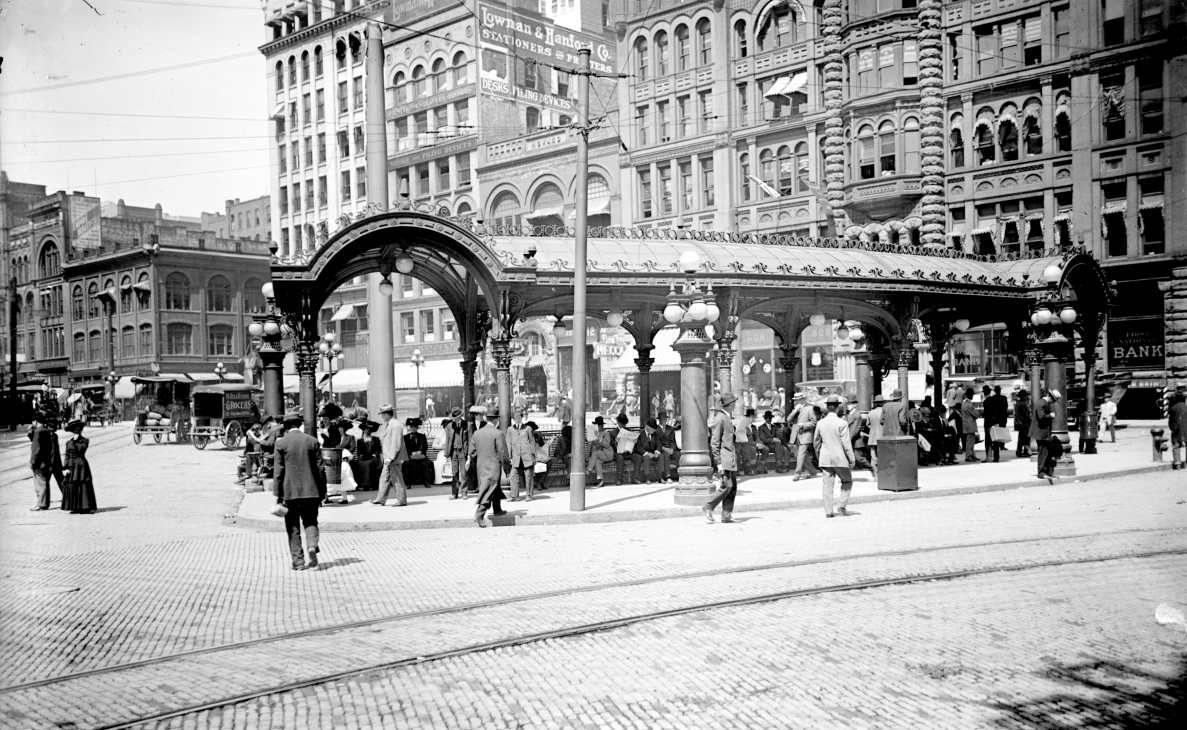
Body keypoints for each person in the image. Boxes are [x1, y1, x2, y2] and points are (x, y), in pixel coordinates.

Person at [273, 410, 328, 570]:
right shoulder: (312, 441)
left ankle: (298, 562)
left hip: (289, 492)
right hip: (311, 491)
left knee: (293, 526)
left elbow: (278, 472)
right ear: (300, 424)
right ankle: (312, 546)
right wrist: (322, 492)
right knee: (310, 521)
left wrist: (277, 494)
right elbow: (320, 470)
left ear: (286, 427)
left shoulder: (281, 443)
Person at [815, 394, 856, 518]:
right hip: (840, 458)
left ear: (828, 407)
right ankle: (842, 505)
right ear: (838, 408)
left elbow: (816, 443)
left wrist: (819, 456)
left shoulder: (820, 423)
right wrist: (851, 459)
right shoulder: (842, 423)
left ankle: (828, 511)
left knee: (827, 486)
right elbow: (846, 443)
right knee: (847, 481)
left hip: (825, 458)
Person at [704, 392, 739, 524]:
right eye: (734, 402)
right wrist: (718, 463)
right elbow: (714, 442)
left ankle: (727, 515)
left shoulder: (727, 417)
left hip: (731, 458)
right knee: (727, 485)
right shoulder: (720, 418)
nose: (735, 404)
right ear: (729, 405)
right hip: (725, 459)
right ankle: (709, 506)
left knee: (732, 486)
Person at [470, 406, 508, 527]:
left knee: (493, 488)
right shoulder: (498, 433)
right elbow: (503, 453)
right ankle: (479, 514)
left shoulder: (477, 433)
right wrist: (507, 468)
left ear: (486, 419)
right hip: (493, 467)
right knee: (489, 489)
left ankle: (497, 510)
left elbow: (471, 451)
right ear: (496, 420)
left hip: (481, 466)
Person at [371, 404, 409, 506]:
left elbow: (395, 443)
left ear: (387, 414)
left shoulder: (395, 425)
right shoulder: (391, 424)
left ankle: (402, 500)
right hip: (389, 458)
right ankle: (381, 498)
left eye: (382, 414)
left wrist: (391, 457)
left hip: (393, 458)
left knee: (396, 478)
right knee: (384, 477)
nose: (381, 417)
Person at [60, 419, 98, 514]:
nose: (76, 432)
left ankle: (85, 507)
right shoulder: (68, 442)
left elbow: (81, 451)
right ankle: (75, 507)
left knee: (82, 484)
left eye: (78, 431)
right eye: (75, 431)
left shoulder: (84, 441)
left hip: (81, 466)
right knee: (72, 485)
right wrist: (65, 468)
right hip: (71, 466)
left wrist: (77, 441)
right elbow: (67, 456)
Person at [506, 406, 537, 501]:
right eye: (515, 418)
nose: (517, 420)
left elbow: (532, 443)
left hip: (527, 456)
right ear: (513, 419)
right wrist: (509, 457)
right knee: (513, 475)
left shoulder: (528, 429)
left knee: (528, 476)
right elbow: (508, 444)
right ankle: (515, 496)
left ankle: (529, 495)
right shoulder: (510, 430)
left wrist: (533, 456)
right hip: (516, 457)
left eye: (519, 418)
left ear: (521, 418)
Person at [1032, 388, 1061, 482]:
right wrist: (1051, 415)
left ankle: (1047, 472)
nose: (1053, 402)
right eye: (1053, 400)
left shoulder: (1044, 403)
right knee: (1043, 453)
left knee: (1047, 453)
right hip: (1041, 433)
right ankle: (1041, 472)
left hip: (1043, 433)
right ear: (1050, 396)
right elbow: (1041, 417)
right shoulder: (1042, 403)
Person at [28, 412, 55, 511]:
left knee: (40, 484)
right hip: (46, 461)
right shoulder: (45, 430)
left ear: (35, 421)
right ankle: (45, 503)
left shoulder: (38, 431)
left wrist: (32, 462)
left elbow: (36, 448)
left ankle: (40, 504)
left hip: (39, 462)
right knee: (45, 482)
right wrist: (31, 433)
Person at [442, 407, 470, 499]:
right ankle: (454, 493)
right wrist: (446, 454)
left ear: (460, 416)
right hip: (453, 452)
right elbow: (448, 440)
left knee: (464, 473)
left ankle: (464, 493)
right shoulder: (450, 426)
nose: (455, 419)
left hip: (463, 451)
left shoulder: (467, 425)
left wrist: (469, 454)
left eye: (456, 417)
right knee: (454, 473)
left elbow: (470, 440)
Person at [632, 418, 666, 483]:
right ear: (647, 427)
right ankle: (647, 478)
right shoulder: (640, 434)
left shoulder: (655, 434)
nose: (654, 430)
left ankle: (660, 478)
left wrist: (657, 451)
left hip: (653, 453)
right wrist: (647, 453)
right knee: (646, 458)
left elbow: (659, 445)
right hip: (645, 454)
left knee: (661, 456)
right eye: (653, 428)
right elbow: (638, 447)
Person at [401, 418, 433, 488]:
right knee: (407, 463)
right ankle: (408, 482)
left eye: (415, 427)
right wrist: (412, 452)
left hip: (421, 455)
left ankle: (426, 481)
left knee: (427, 463)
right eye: (412, 427)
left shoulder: (422, 436)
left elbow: (425, 446)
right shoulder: (406, 437)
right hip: (410, 455)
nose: (413, 429)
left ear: (417, 427)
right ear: (410, 428)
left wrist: (420, 451)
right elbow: (405, 447)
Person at [585, 415, 615, 488]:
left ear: (601, 426)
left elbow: (607, 445)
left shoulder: (606, 433)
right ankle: (601, 481)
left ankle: (589, 470)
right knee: (597, 461)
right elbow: (589, 448)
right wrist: (586, 458)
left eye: (597, 425)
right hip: (600, 455)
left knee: (595, 454)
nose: (596, 427)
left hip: (608, 453)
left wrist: (599, 437)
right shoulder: (593, 434)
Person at [790, 405, 818, 480]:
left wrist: (804, 425)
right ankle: (813, 472)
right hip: (796, 436)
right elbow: (788, 419)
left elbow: (814, 422)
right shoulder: (796, 409)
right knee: (803, 455)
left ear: (802, 400)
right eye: (795, 400)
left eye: (798, 399)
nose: (796, 402)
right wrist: (795, 411)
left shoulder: (809, 409)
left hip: (805, 435)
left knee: (801, 455)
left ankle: (797, 474)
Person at [983, 385, 1010, 462]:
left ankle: (989, 456)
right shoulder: (1002, 398)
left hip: (990, 421)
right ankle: (996, 456)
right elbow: (1005, 408)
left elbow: (988, 412)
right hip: (998, 420)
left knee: (988, 440)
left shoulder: (989, 400)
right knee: (996, 439)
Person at [657, 411, 680, 483]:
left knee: (678, 454)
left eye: (665, 419)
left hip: (670, 448)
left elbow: (673, 440)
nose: (665, 421)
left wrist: (672, 449)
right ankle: (668, 476)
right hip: (662, 449)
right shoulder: (656, 430)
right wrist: (664, 448)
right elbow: (657, 443)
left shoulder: (670, 429)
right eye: (663, 419)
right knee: (665, 455)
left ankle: (680, 475)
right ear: (659, 420)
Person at [960, 388, 981, 462]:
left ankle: (972, 455)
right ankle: (969, 456)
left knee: (970, 441)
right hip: (971, 424)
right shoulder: (970, 405)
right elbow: (976, 415)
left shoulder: (963, 403)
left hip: (966, 424)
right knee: (970, 442)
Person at [736, 408, 757, 476]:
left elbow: (755, 437)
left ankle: (752, 468)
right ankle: (748, 469)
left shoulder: (752, 426)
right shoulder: (744, 425)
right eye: (753, 417)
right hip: (741, 443)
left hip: (747, 443)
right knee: (748, 449)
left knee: (751, 448)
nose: (753, 419)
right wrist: (756, 444)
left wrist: (758, 443)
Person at [1169, 392, 1187, 470]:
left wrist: (1172, 428)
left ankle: (1177, 464)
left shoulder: (1173, 408)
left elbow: (1170, 422)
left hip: (1176, 431)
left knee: (1176, 447)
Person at [1014, 390, 1033, 457]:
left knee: (1022, 437)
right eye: (1025, 395)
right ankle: (1023, 451)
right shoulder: (1022, 404)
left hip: (1021, 422)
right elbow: (1026, 414)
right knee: (1024, 438)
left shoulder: (1019, 403)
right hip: (1024, 423)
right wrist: (1030, 418)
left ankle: (1021, 451)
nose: (1026, 397)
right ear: (1023, 396)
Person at [868, 394, 885, 471]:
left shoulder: (871, 412)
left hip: (873, 436)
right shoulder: (884, 412)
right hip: (882, 435)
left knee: (873, 453)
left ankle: (874, 469)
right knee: (882, 452)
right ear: (882, 403)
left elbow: (867, 424)